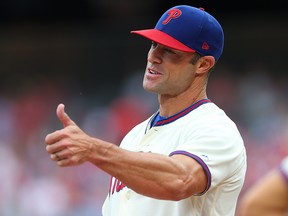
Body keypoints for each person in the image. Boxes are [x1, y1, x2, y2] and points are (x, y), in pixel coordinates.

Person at [45, 5, 247, 216]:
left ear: (203, 64)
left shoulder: (216, 128)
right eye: (154, 44)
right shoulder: (133, 136)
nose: (154, 56)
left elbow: (181, 180)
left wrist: (94, 150)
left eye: (169, 50)